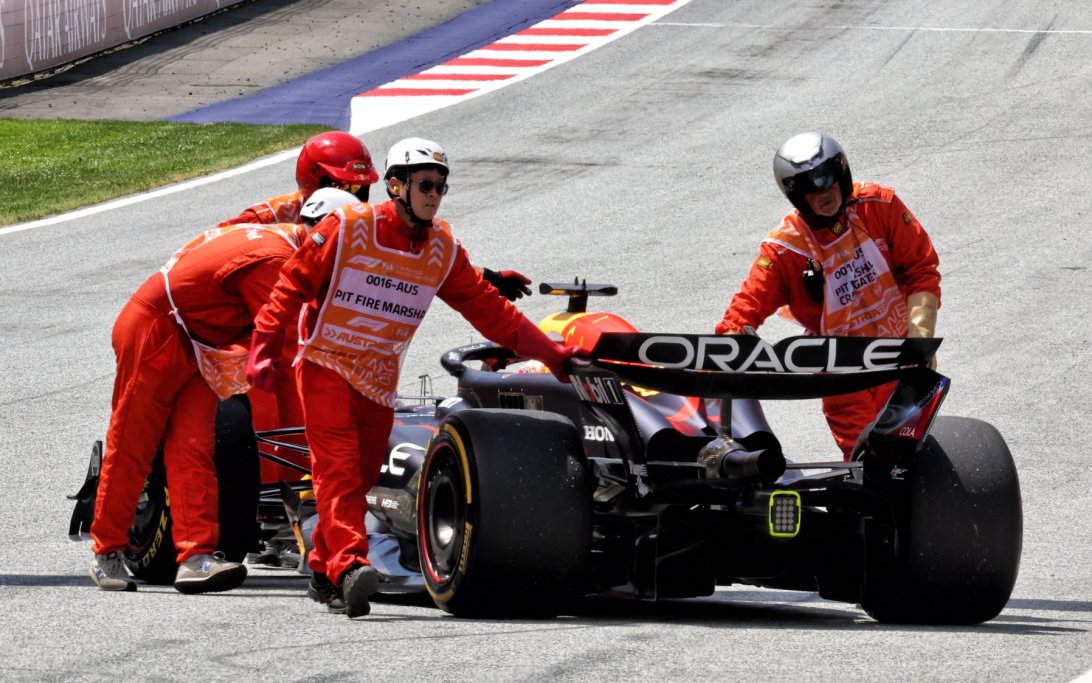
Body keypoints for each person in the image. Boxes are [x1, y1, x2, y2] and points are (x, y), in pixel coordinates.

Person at [245, 137, 585, 618]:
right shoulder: (347, 226)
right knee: (337, 474)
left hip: (379, 379)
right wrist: (263, 346)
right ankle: (349, 569)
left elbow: (493, 315)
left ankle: (322, 564)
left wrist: (552, 355)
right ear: (395, 185)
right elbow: (290, 285)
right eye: (425, 184)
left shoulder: (442, 247)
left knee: (360, 477)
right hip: (325, 365)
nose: (434, 194)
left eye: (442, 186)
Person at [88, 188, 360, 593]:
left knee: (194, 445)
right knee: (133, 440)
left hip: (198, 339)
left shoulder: (289, 245)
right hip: (156, 330)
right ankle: (106, 551)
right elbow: (291, 342)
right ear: (324, 234)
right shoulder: (276, 261)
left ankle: (195, 556)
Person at [715, 131, 941, 460]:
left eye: (829, 181)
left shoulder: (881, 206)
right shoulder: (783, 250)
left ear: (843, 175)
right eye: (811, 189)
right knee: (871, 463)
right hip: (841, 378)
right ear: (795, 196)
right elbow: (739, 317)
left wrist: (920, 343)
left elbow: (921, 269)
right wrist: (729, 351)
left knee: (916, 458)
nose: (824, 193)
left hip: (902, 364)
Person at [220, 130, 533, 301]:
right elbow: (213, 250)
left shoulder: (361, 224)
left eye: (361, 188)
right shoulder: (265, 216)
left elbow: (411, 264)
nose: (355, 197)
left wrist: (487, 276)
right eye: (345, 186)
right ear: (313, 178)